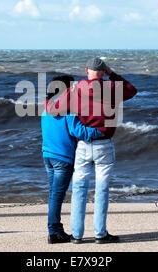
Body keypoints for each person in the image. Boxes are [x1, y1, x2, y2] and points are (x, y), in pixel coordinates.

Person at [46, 58, 137, 244]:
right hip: (104, 143)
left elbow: (53, 110)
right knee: (102, 189)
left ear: (87, 70)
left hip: (83, 145)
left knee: (79, 188)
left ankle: (77, 235)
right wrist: (112, 74)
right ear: (103, 72)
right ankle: (100, 234)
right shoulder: (112, 88)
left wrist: (49, 100)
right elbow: (132, 90)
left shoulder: (76, 89)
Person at [41, 75, 103, 244]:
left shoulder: (46, 108)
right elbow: (80, 131)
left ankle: (56, 230)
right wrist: (101, 131)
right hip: (62, 158)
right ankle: (54, 232)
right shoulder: (67, 110)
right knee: (56, 195)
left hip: (48, 155)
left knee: (54, 194)